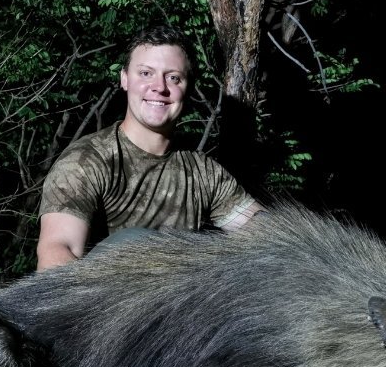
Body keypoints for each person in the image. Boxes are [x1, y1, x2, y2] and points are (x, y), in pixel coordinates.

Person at [36, 25, 264, 270]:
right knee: (132, 242)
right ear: (124, 79)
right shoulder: (85, 161)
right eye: (146, 73)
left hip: (179, 301)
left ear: (187, 87)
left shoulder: (203, 173)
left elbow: (264, 233)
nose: (159, 87)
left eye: (173, 77)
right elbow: (56, 255)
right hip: (103, 302)